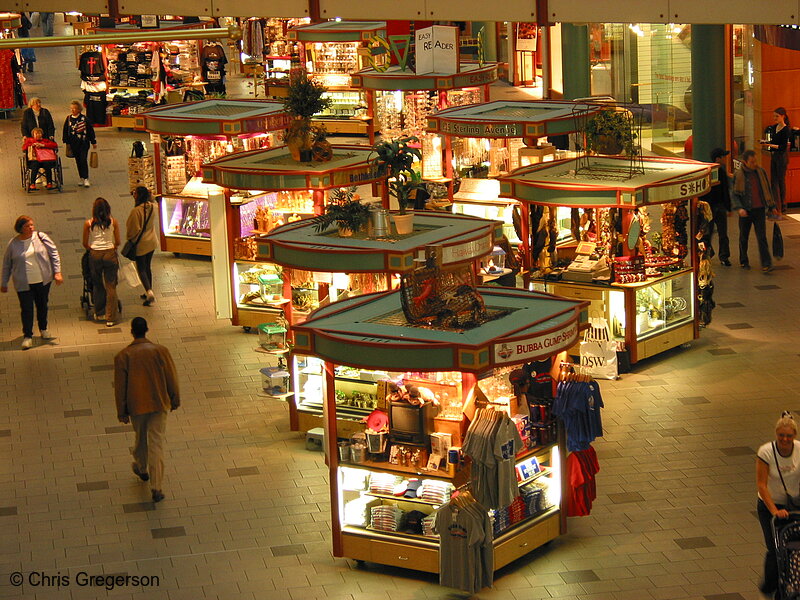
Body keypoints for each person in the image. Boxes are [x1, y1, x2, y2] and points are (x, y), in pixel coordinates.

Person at [114, 317, 180, 504]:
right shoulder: (161, 351)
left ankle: (142, 468)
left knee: (140, 438)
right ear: (147, 330)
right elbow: (171, 376)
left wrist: (122, 411)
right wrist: (174, 398)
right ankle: (156, 486)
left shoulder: (123, 356)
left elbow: (120, 386)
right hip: (159, 403)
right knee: (156, 443)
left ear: (132, 332)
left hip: (137, 405)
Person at [1, 216, 63, 349]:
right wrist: (4, 282)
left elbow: (54, 253)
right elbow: (7, 264)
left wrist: (57, 272)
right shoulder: (13, 244)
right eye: (27, 226)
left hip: (42, 280)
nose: (31, 228)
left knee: (42, 305)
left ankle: (43, 328)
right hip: (23, 282)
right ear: (20, 228)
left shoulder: (41, 237)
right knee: (27, 309)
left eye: (32, 225)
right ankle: (28, 336)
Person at [756, 412, 800, 597]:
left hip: (794, 504)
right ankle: (769, 587)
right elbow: (761, 484)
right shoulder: (766, 452)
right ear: (776, 434)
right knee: (775, 549)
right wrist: (774, 510)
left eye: (789, 435)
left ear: (794, 436)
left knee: (795, 547)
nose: (785, 439)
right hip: (771, 506)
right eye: (781, 435)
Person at [732, 150, 776, 273]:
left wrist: (772, 206)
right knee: (743, 237)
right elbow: (735, 194)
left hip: (759, 209)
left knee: (762, 237)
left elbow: (767, 189)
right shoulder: (739, 174)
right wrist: (739, 208)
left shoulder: (760, 172)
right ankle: (743, 261)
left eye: (755, 161)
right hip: (746, 210)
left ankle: (766, 263)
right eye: (752, 162)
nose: (755, 163)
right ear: (745, 162)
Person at [82, 197, 120, 326]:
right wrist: (112, 247)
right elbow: (118, 241)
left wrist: (92, 248)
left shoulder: (88, 223)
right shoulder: (113, 222)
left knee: (97, 283)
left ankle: (100, 312)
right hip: (110, 253)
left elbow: (85, 243)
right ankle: (111, 317)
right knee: (111, 285)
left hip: (95, 254)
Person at [125, 186, 158, 306]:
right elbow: (153, 199)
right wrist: (150, 194)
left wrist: (129, 239)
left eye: (135, 193)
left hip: (141, 244)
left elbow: (133, 230)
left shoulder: (136, 211)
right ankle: (149, 289)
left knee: (141, 268)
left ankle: (149, 292)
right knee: (148, 266)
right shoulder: (153, 207)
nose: (133, 195)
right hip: (152, 241)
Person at [705, 148, 732, 266]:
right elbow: (725, 191)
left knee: (709, 233)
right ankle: (723, 257)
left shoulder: (708, 172)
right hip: (717, 207)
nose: (726, 158)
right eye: (723, 156)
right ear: (718, 159)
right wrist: (728, 207)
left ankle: (708, 254)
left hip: (712, 207)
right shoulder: (719, 172)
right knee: (721, 233)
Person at [761, 107, 791, 218]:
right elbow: (774, 142)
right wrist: (766, 142)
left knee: (780, 181)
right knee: (773, 181)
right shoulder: (774, 128)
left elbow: (782, 147)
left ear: (783, 116)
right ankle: (775, 205)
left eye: (777, 116)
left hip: (781, 157)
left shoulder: (786, 130)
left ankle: (782, 205)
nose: (775, 118)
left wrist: (769, 145)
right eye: (774, 116)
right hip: (774, 156)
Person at [62, 100, 96, 188]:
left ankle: (86, 178)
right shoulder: (68, 118)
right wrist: (66, 142)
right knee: (78, 161)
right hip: (74, 144)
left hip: (83, 143)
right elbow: (65, 130)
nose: (73, 110)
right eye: (71, 108)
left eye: (75, 108)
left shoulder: (84, 119)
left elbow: (90, 130)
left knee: (83, 159)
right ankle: (81, 177)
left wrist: (93, 142)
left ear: (79, 110)